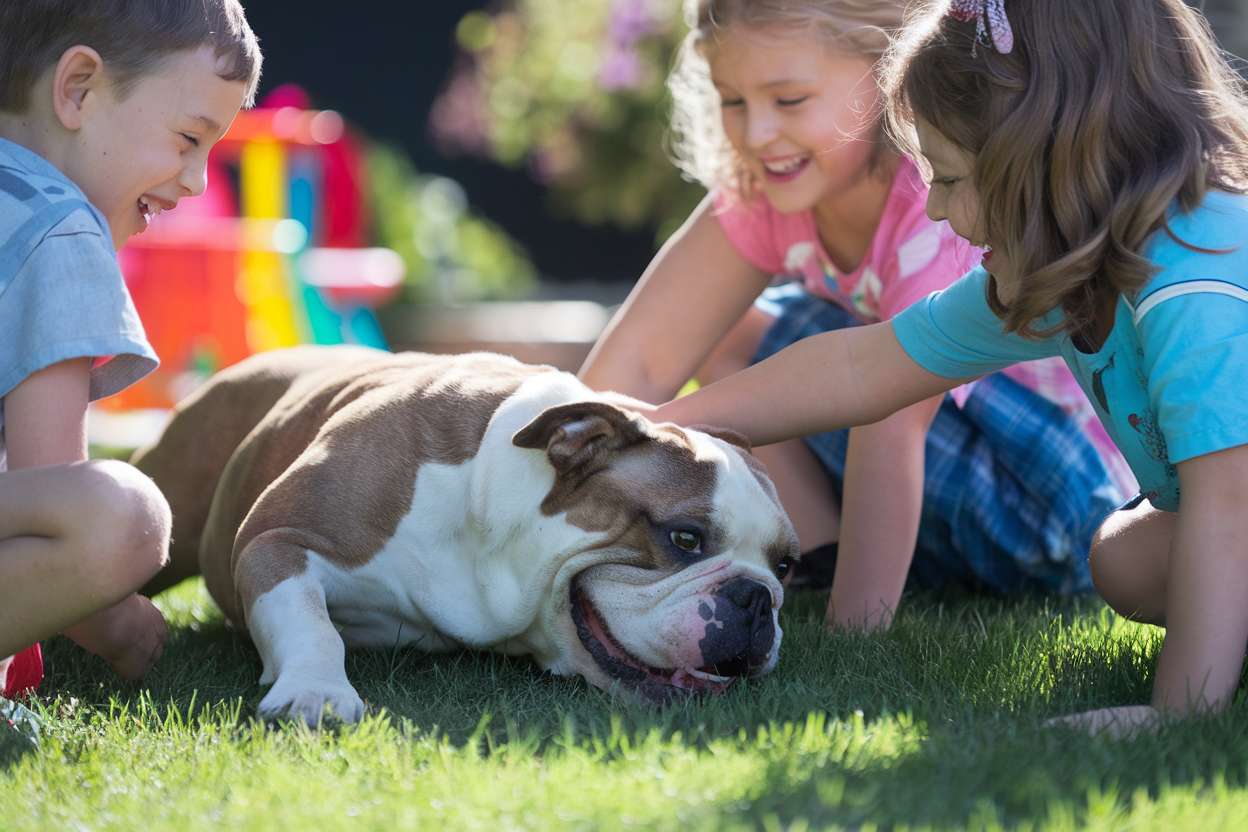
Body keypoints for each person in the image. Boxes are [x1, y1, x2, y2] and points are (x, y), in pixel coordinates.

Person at [653, 0, 1248, 733]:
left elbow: (1230, 505)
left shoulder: (1195, 280)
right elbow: (862, 366)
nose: (934, 209)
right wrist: (653, 430)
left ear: (1049, 159)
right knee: (1126, 559)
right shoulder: (1065, 264)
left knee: (1186, 535)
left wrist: (1179, 713)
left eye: (952, 178)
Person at [580, 0, 1129, 631]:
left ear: (890, 71)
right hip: (947, 502)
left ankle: (851, 596)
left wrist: (853, 630)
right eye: (732, 101)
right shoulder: (765, 187)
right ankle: (816, 560)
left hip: (1052, 509)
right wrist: (561, 474)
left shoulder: (941, 198)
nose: (756, 133)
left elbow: (889, 408)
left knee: (844, 346)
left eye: (789, 100)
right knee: (734, 329)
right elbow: (640, 360)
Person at [0, 0, 261, 702]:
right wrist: (116, 622)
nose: (197, 180)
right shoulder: (60, 226)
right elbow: (54, 501)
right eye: (188, 138)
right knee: (123, 515)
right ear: (78, 88)